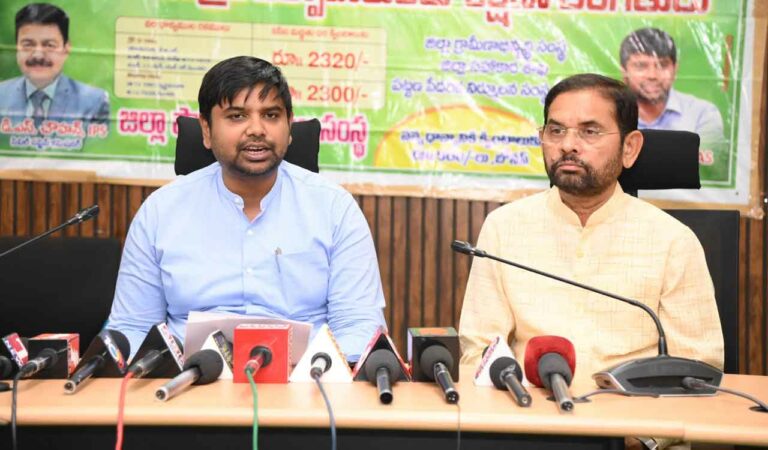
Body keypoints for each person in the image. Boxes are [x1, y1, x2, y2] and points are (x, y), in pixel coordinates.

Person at [459, 73, 723, 449]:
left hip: (635, 438)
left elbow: (698, 370)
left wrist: (639, 437)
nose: (568, 145)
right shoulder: (503, 228)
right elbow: (479, 351)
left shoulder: (673, 242)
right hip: (529, 431)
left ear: (630, 148)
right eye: (556, 131)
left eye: (589, 132)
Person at [107, 56, 386, 362]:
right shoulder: (160, 212)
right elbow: (133, 327)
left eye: (271, 115)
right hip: (188, 386)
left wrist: (317, 377)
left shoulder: (335, 209)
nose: (257, 129)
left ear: (289, 126)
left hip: (306, 387)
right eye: (237, 116)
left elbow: (359, 327)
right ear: (206, 129)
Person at [0, 3, 109, 125]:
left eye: (49, 45)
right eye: (28, 44)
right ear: (16, 48)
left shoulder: (94, 102)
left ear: (66, 49)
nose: (38, 55)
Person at [619, 27, 723, 145]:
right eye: (641, 66)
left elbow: (707, 162)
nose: (652, 75)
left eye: (662, 65)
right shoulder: (610, 113)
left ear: (675, 69)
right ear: (624, 72)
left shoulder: (702, 114)